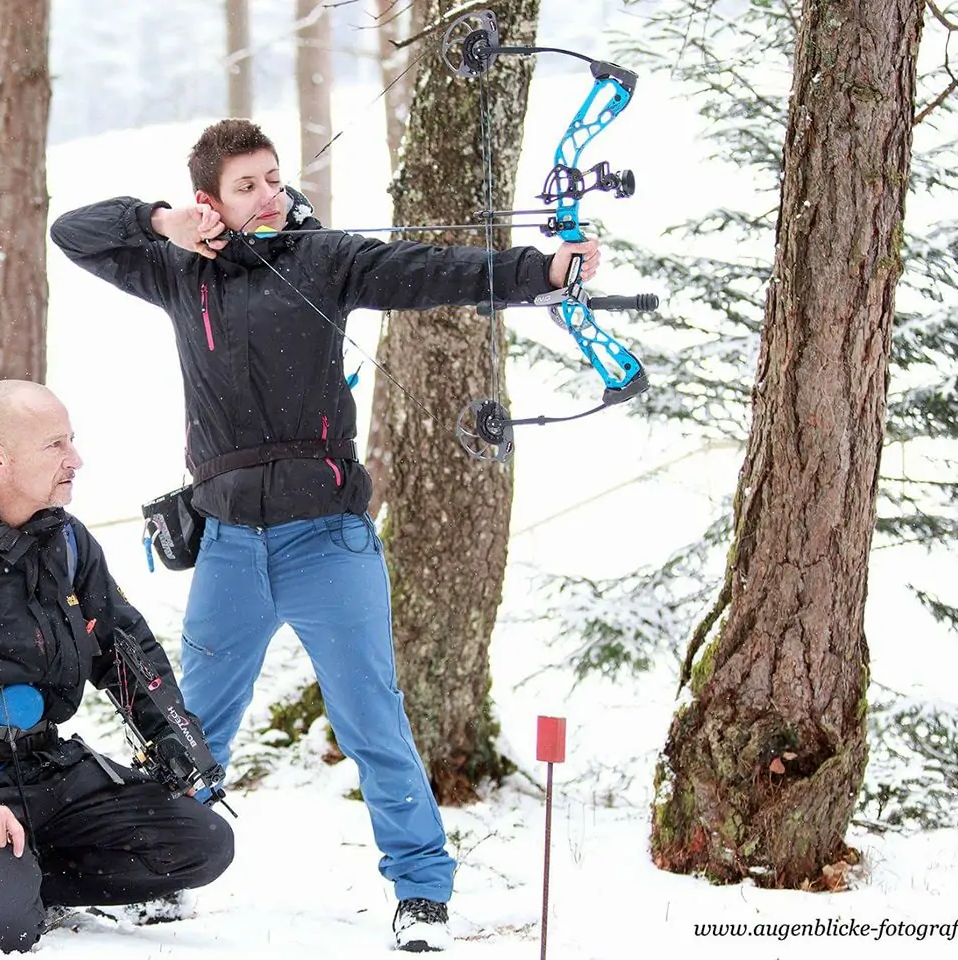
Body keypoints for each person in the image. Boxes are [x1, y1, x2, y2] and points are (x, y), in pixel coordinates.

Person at [49, 119, 600, 952]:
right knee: (191, 727)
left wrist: (544, 269)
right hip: (229, 546)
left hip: (326, 542)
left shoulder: (325, 256)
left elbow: (433, 270)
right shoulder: (176, 274)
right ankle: (166, 876)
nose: (269, 194)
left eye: (273, 177)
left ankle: (421, 890)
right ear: (210, 203)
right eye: (247, 185)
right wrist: (162, 222)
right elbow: (73, 231)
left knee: (371, 720)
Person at [0, 379, 234, 954]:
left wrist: (176, 740)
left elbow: (124, 650)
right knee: (1, 931)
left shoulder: (69, 542)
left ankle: (15, 878)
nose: (76, 460)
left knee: (202, 843)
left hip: (45, 762)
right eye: (56, 446)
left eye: (71, 441)